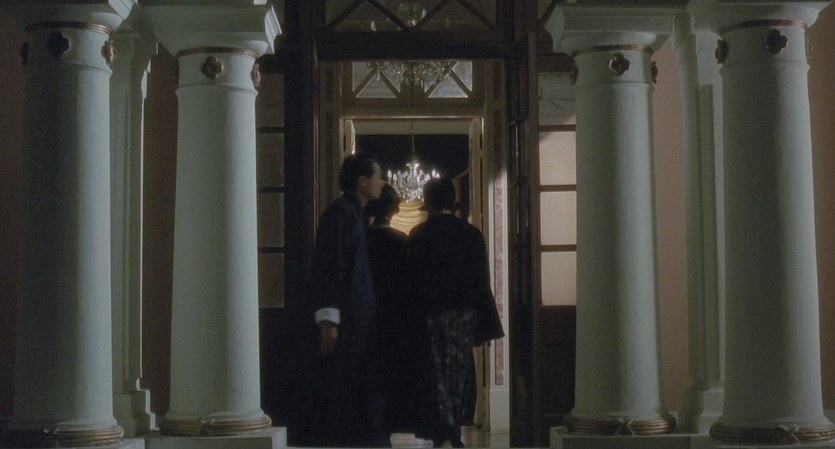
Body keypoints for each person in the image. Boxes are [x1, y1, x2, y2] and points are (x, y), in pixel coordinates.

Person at [408, 178, 504, 448]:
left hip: (429, 313)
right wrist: (486, 322)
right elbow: (481, 281)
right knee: (459, 371)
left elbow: (411, 283)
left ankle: (440, 426)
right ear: (452, 201)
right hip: (463, 313)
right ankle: (455, 426)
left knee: (433, 370)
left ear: (428, 202)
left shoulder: (419, 234)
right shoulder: (471, 234)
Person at [303, 152, 388, 447]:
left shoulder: (355, 214)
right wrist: (329, 321)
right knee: (344, 389)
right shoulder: (341, 214)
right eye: (378, 177)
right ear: (363, 182)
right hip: (348, 322)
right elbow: (330, 267)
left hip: (358, 320)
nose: (382, 182)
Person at [365, 184, 426, 438]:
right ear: (393, 211)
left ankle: (373, 427)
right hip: (396, 319)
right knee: (392, 375)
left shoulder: (362, 241)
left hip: (367, 318)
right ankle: (389, 425)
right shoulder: (402, 242)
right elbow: (412, 286)